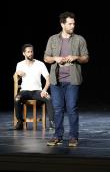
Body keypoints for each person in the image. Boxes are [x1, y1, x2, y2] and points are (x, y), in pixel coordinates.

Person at [44, 11, 89, 147]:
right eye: (69, 24)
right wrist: (55, 59)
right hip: (56, 81)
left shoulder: (79, 39)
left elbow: (86, 58)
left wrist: (76, 57)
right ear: (62, 24)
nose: (72, 26)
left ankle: (73, 137)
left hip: (72, 80)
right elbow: (46, 58)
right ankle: (57, 135)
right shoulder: (53, 39)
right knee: (57, 109)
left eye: (73, 23)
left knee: (72, 108)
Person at [14, 44, 55, 130]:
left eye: (31, 51)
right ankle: (20, 122)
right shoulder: (20, 64)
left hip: (37, 91)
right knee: (17, 98)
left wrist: (44, 90)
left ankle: (52, 123)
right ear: (23, 53)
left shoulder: (40, 64)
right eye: (28, 52)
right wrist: (17, 73)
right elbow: (15, 76)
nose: (30, 53)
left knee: (48, 97)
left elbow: (48, 79)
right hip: (25, 91)